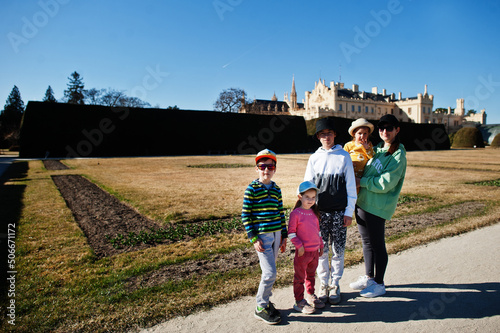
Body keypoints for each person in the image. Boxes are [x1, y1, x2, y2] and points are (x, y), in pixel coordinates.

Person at [350, 114, 407, 298]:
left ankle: (380, 283)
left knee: (377, 244)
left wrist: (362, 181)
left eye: (389, 128)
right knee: (367, 243)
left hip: (377, 207)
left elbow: (386, 182)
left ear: (397, 130)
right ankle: (369, 277)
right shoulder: (379, 150)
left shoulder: (398, 154)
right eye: (381, 128)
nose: (384, 132)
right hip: (363, 204)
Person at [304, 118, 357, 305]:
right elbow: (307, 186)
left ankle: (335, 284)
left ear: (335, 135)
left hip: (339, 213)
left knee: (338, 250)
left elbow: (351, 187)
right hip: (319, 214)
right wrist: (307, 211)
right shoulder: (314, 158)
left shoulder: (344, 156)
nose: (326, 137)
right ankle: (323, 284)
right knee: (321, 251)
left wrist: (349, 212)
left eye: (329, 133)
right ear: (318, 137)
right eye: (322, 134)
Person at [242, 148, 287, 324]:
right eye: (262, 166)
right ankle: (260, 306)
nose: (266, 170)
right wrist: (253, 238)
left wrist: (283, 236)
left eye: (270, 166)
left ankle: (266, 301)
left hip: (276, 235)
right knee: (270, 273)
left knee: (270, 271)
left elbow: (280, 213)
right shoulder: (252, 189)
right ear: (257, 168)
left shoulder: (276, 189)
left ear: (274, 168)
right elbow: (246, 215)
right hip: (262, 237)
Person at [288, 181, 325, 314]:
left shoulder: (314, 213)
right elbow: (291, 233)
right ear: (300, 197)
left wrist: (321, 245)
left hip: (314, 252)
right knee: (299, 277)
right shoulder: (296, 214)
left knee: (311, 275)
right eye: (307, 197)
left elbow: (318, 231)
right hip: (302, 253)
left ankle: (310, 295)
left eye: (313, 197)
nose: (310, 200)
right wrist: (300, 246)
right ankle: (299, 301)